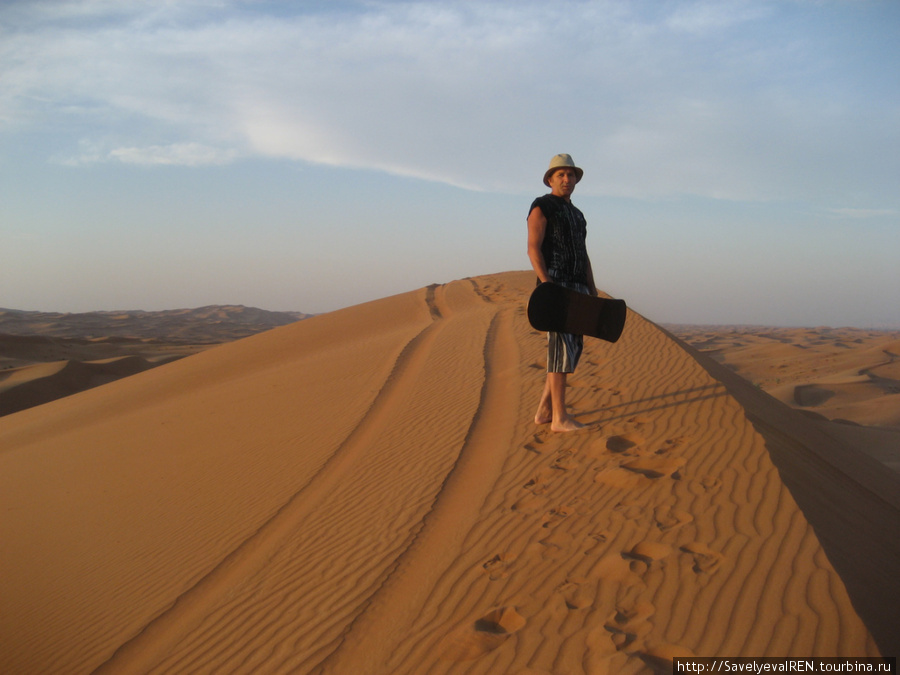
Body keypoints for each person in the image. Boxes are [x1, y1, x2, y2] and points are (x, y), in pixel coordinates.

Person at [527, 153, 597, 432]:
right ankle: (560, 418)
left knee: (571, 351)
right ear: (550, 180)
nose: (566, 179)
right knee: (560, 350)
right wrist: (546, 283)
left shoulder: (578, 215)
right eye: (561, 175)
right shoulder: (542, 206)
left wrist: (591, 290)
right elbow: (533, 247)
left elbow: (584, 253)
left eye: (570, 175)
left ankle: (545, 410)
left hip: (578, 285)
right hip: (555, 284)